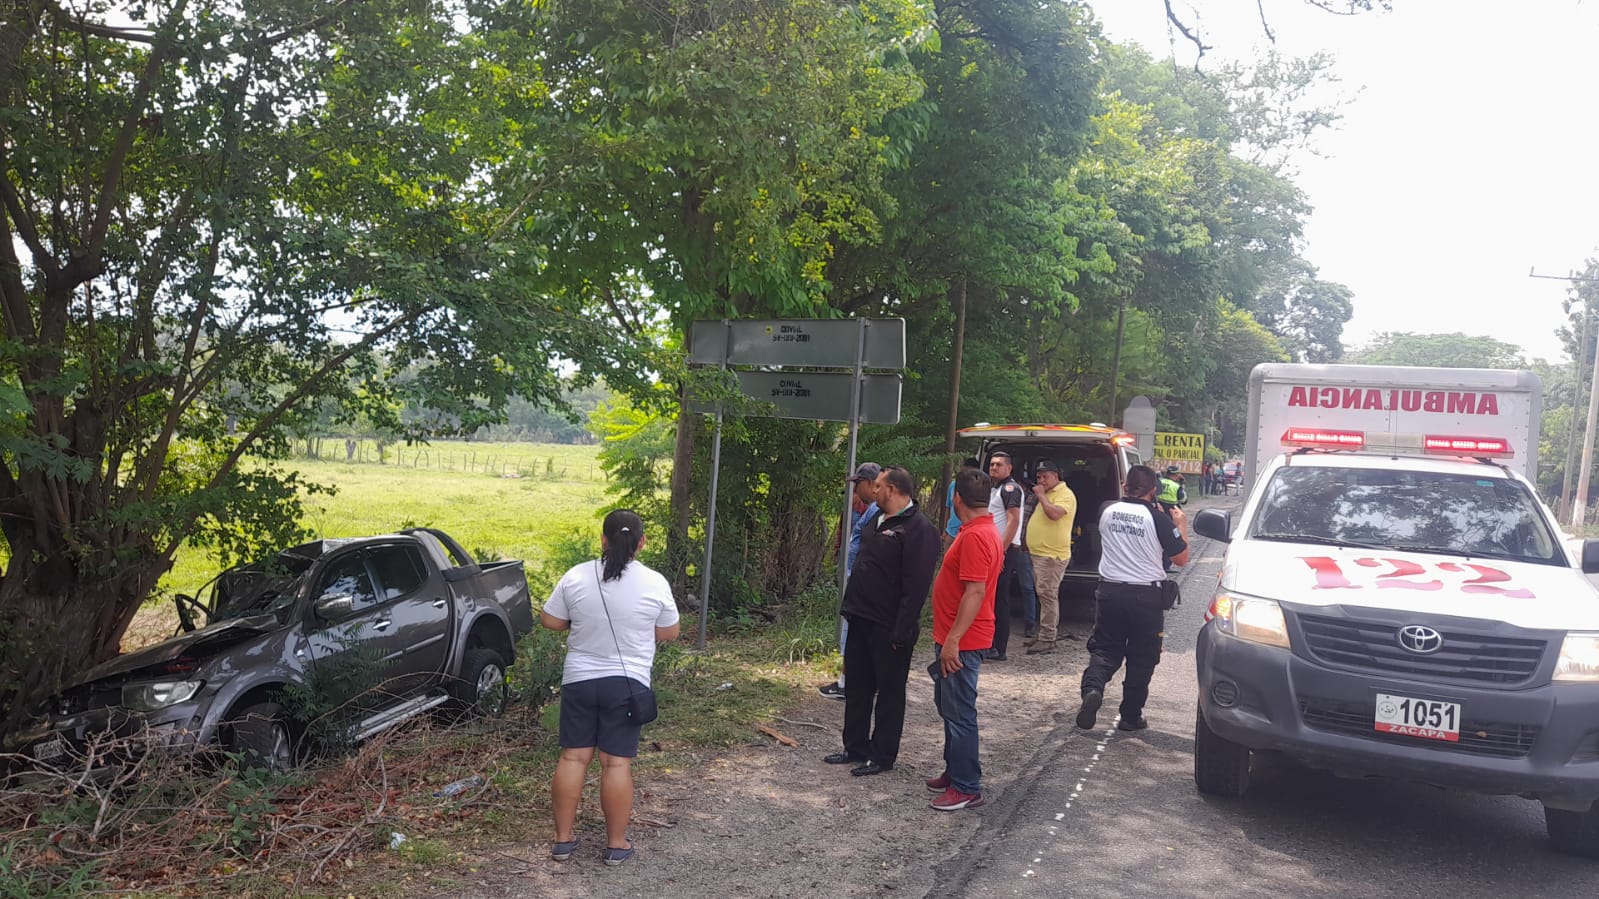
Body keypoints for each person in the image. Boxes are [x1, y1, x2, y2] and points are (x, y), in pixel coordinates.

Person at [542, 510, 681, 866]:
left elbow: (551, 620)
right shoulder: (654, 582)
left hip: (579, 680)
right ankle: (616, 844)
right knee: (616, 763)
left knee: (574, 757)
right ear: (642, 542)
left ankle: (562, 840)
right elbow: (669, 632)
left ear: (603, 539)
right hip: (628, 683)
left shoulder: (576, 576)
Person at [824, 465, 939, 776]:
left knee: (888, 692)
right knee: (858, 687)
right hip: (861, 617)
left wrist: (901, 629)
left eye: (877, 486)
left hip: (890, 626)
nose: (873, 491)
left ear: (892, 490)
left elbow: (915, 586)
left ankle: (882, 754)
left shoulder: (919, 529)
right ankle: (855, 746)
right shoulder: (876, 518)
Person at [1075, 466, 1189, 733]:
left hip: (1110, 592)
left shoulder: (1106, 510)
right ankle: (1130, 716)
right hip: (1146, 596)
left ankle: (1093, 690)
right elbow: (1181, 559)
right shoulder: (1157, 519)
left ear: (1125, 486)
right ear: (1153, 491)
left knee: (1104, 649)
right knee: (1142, 657)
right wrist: (1180, 525)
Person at [925, 467, 1004, 811]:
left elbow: (975, 592)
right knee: (949, 707)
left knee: (959, 713)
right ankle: (954, 770)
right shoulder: (983, 530)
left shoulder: (974, 537)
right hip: (956, 636)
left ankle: (966, 786)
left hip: (964, 640)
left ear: (957, 498)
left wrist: (954, 640)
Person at [820, 462, 882, 701]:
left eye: (857, 484)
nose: (855, 490)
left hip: (859, 581)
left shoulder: (876, 511)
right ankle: (853, 680)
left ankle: (848, 683)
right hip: (857, 577)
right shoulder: (872, 509)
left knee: (851, 630)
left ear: (869, 483)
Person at [1024, 460, 1077, 655]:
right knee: (1043, 593)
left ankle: (1048, 638)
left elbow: (1054, 514)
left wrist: (1041, 496)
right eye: (1038, 477)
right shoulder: (1048, 493)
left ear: (1056, 476)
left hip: (1052, 555)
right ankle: (1043, 634)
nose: (1041, 480)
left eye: (1045, 476)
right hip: (1040, 553)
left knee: (1047, 595)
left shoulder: (1065, 495)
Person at [985, 452, 1027, 661]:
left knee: (999, 598)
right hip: (997, 549)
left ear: (1009, 468)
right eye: (992, 464)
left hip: (1004, 550)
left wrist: (1000, 552)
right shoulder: (997, 489)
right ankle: (990, 643)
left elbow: (1013, 520)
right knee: (991, 597)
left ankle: (998, 647)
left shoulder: (1010, 489)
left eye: (999, 465)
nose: (994, 468)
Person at [944, 457, 981, 549]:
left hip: (969, 533)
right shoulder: (953, 485)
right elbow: (948, 508)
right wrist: (945, 529)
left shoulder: (979, 488)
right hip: (952, 532)